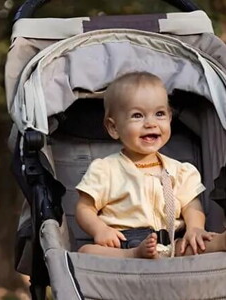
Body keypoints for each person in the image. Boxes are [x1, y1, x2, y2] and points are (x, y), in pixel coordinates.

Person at [75, 71, 226, 259]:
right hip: (122, 245)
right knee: (86, 252)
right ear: (114, 128)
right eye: (137, 116)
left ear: (170, 118)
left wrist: (195, 229)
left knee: (199, 244)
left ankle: (221, 242)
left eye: (160, 114)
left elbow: (192, 207)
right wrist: (100, 230)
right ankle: (135, 255)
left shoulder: (180, 171)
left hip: (171, 244)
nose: (151, 123)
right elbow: (84, 208)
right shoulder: (105, 170)